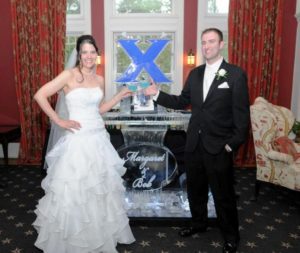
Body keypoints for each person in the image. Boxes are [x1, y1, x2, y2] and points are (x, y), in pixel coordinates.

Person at [144, 28, 250, 253]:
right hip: (193, 144)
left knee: (224, 195)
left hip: (219, 146)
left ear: (221, 44)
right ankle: (198, 223)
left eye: (211, 42)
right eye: (203, 42)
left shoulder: (235, 74)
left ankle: (231, 237)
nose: (206, 46)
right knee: (195, 189)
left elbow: (242, 117)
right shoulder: (195, 74)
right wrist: (157, 94)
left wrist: (232, 144)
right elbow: (182, 101)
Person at [32, 35, 135, 253]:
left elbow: (97, 110)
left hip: (98, 139)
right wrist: (59, 120)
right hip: (78, 141)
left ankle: (98, 236)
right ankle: (72, 239)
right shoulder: (69, 75)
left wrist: (118, 97)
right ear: (79, 55)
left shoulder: (99, 79)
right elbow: (40, 95)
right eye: (84, 52)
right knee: (76, 191)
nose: (89, 56)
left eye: (92, 52)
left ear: (97, 54)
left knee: (99, 190)